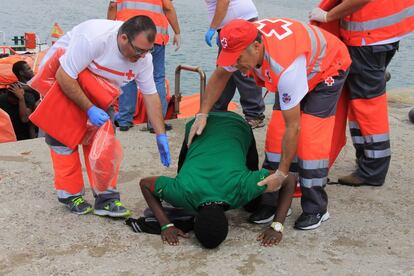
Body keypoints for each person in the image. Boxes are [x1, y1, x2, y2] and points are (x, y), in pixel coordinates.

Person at [188, 18, 352, 230]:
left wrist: (282, 173)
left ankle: (316, 207)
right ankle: (272, 200)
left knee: (311, 139)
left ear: (256, 47)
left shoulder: (284, 67)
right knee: (276, 134)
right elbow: (220, 75)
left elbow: (294, 127)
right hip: (296, 64)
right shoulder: (240, 43)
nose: (235, 64)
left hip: (327, 67)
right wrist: (203, 113)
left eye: (238, 59)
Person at [39, 16, 170, 217]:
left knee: (103, 142)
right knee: (63, 141)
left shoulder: (144, 59)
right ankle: (70, 195)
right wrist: (89, 108)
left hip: (99, 87)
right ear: (124, 38)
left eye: (147, 51)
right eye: (138, 50)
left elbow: (151, 96)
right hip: (64, 79)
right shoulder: (94, 38)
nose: (142, 56)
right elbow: (64, 76)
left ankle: (106, 199)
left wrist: (161, 135)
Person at [137, 111, 295, 248]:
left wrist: (277, 226)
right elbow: (145, 184)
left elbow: (289, 180)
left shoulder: (243, 187)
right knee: (251, 206)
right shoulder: (181, 194)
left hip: (227, 124)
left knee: (252, 204)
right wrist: (166, 224)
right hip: (207, 124)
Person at [309, 0, 414, 187]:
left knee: (366, 104)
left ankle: (372, 169)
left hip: (367, 38)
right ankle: (368, 162)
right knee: (360, 100)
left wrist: (328, 16)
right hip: (384, 33)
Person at [108, 0, 181, 132]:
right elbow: (168, 7)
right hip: (155, 37)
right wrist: (177, 31)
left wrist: (110, 29)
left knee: (127, 76)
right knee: (157, 78)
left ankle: (125, 121)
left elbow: (113, 5)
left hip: (129, 38)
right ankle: (156, 123)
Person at [203, 0, 266, 129]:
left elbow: (223, 1)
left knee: (244, 68)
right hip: (230, 26)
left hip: (240, 24)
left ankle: (254, 114)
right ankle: (218, 110)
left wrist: (213, 28)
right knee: (226, 69)